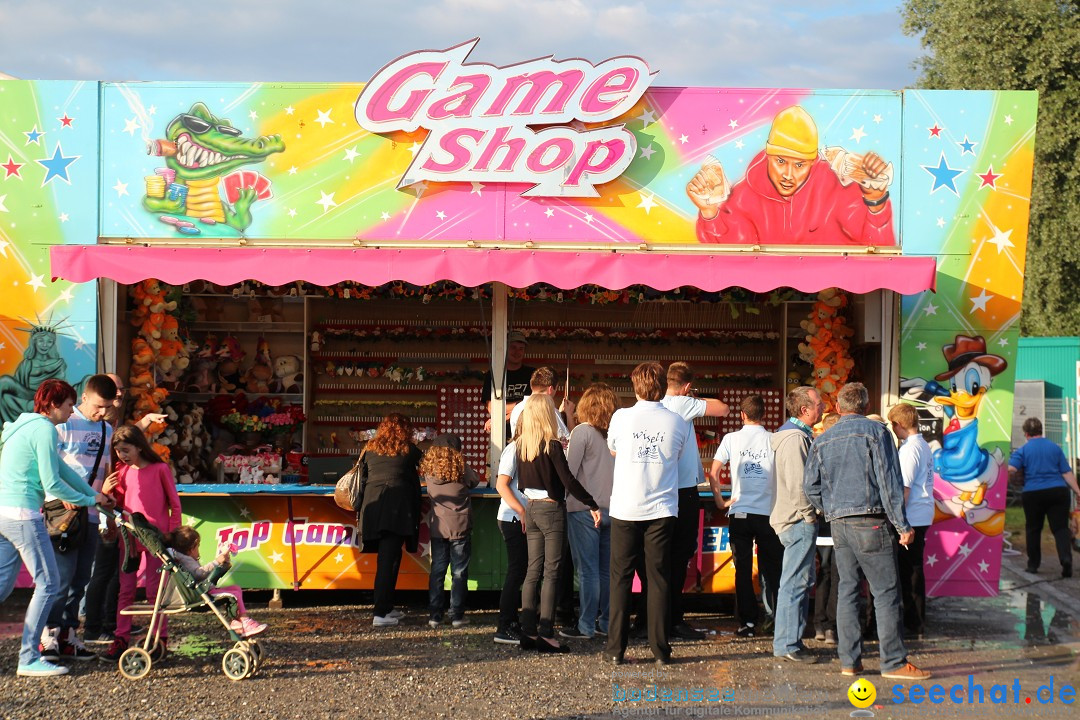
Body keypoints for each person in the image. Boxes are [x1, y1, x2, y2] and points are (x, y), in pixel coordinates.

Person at [804, 382, 930, 680]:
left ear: (837, 406)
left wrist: (831, 508)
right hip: (871, 520)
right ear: (865, 405)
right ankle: (894, 662)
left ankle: (850, 661)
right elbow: (889, 481)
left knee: (847, 590)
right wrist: (902, 524)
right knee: (886, 592)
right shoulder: (877, 432)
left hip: (839, 524)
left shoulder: (824, 438)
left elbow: (810, 486)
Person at [0, 379, 114, 677]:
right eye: (67, 405)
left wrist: (95, 498)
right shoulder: (44, 429)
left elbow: (63, 470)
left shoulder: (21, 425)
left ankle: (38, 651)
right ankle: (28, 659)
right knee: (50, 583)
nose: (70, 410)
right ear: (53, 405)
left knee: (2, 585)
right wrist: (89, 498)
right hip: (24, 514)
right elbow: (52, 483)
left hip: (4, 512)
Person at [685, 105, 896, 245]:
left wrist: (876, 200)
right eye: (781, 161)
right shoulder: (744, 196)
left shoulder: (836, 186)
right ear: (768, 155)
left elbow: (877, 247)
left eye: (799, 165)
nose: (788, 174)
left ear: (812, 162)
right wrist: (710, 212)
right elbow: (732, 256)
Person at [606, 362, 695, 666]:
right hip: (662, 508)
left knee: (620, 578)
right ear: (662, 385)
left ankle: (615, 649)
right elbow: (678, 454)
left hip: (625, 507)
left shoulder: (621, 417)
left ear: (635, 386)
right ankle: (660, 650)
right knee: (658, 579)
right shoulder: (677, 421)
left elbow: (614, 449)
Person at [83, 372, 166, 644]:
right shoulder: (97, 422)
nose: (118, 396)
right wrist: (103, 494)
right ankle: (96, 626)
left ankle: (114, 625)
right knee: (104, 573)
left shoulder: (111, 426)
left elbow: (128, 438)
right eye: (113, 392)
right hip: (99, 510)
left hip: (111, 511)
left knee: (119, 580)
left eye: (120, 391)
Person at [40, 373, 116, 663]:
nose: (101, 412)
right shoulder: (63, 424)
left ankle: (70, 636)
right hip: (63, 512)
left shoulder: (107, 429)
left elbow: (106, 469)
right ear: (84, 397)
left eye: (107, 407)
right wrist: (62, 496)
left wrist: (108, 515)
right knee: (60, 577)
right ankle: (48, 636)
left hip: (93, 512)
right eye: (97, 406)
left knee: (81, 578)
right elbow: (47, 466)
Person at [517, 395, 600, 652]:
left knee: (533, 571)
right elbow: (569, 481)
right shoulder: (551, 445)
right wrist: (592, 503)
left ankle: (528, 631)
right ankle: (546, 633)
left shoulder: (521, 444)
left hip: (531, 508)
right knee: (552, 573)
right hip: (552, 510)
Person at [101, 424, 183, 661]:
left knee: (154, 592)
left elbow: (174, 505)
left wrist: (171, 536)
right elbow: (113, 505)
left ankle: (159, 638)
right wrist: (107, 491)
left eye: (126, 449)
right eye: (118, 451)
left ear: (139, 446)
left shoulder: (159, 469)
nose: (122, 455)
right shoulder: (122, 472)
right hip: (129, 538)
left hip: (158, 540)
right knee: (125, 590)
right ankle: (121, 638)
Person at [659, 362, 729, 641]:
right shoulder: (682, 403)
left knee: (662, 558)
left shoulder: (661, 403)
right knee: (679, 557)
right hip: (684, 491)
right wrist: (692, 397)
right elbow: (722, 408)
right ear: (687, 387)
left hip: (663, 491)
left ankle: (656, 618)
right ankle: (674, 619)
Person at [710, 394, 782, 638]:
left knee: (742, 569)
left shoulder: (731, 438)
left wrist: (721, 500)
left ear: (742, 415)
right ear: (763, 414)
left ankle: (748, 623)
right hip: (768, 514)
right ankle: (775, 621)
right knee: (771, 569)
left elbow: (714, 471)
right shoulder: (774, 440)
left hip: (739, 511)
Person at [771, 386, 825, 663]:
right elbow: (797, 485)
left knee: (797, 582)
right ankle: (787, 644)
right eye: (819, 403)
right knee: (795, 583)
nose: (823, 406)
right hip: (797, 519)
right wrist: (809, 515)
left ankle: (791, 641)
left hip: (793, 518)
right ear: (805, 410)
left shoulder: (792, 436)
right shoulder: (794, 439)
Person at [560, 383, 618, 639]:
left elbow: (568, 472)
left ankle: (585, 626)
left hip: (584, 508)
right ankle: (605, 622)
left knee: (588, 571)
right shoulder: (615, 434)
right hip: (613, 509)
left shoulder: (582, 432)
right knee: (606, 571)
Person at [357, 413, 423, 627]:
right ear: (406, 430)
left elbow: (363, 476)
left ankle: (386, 607)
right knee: (388, 561)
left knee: (387, 560)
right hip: (396, 509)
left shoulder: (369, 448)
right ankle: (380, 613)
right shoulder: (409, 450)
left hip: (373, 506)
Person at [161, 526, 266, 636]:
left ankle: (237, 621)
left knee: (236, 589)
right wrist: (217, 561)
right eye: (198, 547)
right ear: (192, 548)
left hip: (203, 589)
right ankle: (244, 620)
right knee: (233, 594)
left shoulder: (184, 558)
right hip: (201, 593)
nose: (198, 550)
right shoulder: (186, 560)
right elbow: (199, 573)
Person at [1008, 417, 1080, 578]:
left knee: (1033, 529)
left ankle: (1033, 565)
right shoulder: (1055, 448)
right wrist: (1078, 491)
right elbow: (1066, 473)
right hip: (1058, 491)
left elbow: (1011, 469)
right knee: (1060, 528)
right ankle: (1066, 558)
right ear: (1041, 431)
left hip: (1033, 493)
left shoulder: (1023, 451)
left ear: (1026, 434)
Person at [421, 434, 480, 629]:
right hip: (460, 526)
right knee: (459, 572)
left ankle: (435, 615)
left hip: (438, 527)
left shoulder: (429, 472)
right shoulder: (462, 469)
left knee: (437, 570)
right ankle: (456, 615)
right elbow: (475, 481)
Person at [888, 403, 935, 637]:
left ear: (899, 425)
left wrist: (897, 519)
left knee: (909, 571)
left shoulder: (909, 450)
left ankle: (913, 622)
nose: (893, 430)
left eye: (893, 425)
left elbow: (903, 488)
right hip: (922, 512)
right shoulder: (923, 445)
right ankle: (916, 621)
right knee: (913, 569)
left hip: (912, 515)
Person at [493, 427, 528, 645]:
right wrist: (521, 511)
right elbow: (501, 484)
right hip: (513, 519)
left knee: (522, 571)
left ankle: (513, 622)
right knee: (517, 571)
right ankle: (505, 625)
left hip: (520, 517)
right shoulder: (514, 449)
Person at [812, 413, 840, 644]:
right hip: (836, 519)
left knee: (825, 573)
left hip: (822, 519)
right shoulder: (839, 451)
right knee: (835, 573)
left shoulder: (816, 449)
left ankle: (821, 624)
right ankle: (829, 626)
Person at [483, 330, 535, 439]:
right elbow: (492, 408)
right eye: (513, 347)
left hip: (527, 435)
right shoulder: (493, 374)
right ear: (505, 349)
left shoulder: (532, 374)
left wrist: (499, 419)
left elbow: (533, 405)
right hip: (500, 436)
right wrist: (521, 404)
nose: (517, 352)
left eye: (521, 349)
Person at [508, 366, 575, 441]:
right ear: (551, 389)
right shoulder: (548, 409)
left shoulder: (517, 408)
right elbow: (566, 442)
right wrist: (569, 415)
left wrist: (560, 414)